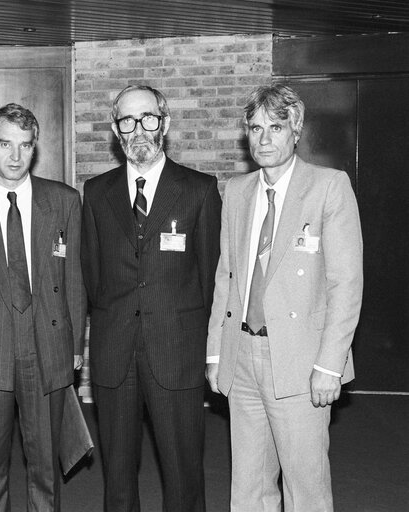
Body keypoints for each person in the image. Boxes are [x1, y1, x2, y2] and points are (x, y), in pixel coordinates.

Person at [206, 84, 363, 511]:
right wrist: (216, 354)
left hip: (300, 358)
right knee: (249, 487)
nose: (264, 138)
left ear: (296, 131)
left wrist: (330, 365)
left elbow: (346, 285)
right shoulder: (237, 191)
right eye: (255, 128)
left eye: (276, 127)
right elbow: (228, 275)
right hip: (242, 358)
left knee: (305, 488)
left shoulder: (329, 187)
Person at [81, 85, 221, 512]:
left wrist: (211, 353)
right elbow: (91, 275)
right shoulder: (96, 192)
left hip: (176, 353)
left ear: (165, 124)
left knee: (182, 474)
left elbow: (211, 279)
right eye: (127, 120)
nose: (138, 129)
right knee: (118, 476)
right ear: (115, 129)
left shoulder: (199, 190)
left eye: (148, 119)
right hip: (114, 355)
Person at [0, 103, 86, 512]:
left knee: (45, 466)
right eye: (5, 144)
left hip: (47, 345)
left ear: (34, 147)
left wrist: (76, 343)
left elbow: (75, 278)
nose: (15, 156)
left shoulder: (63, 201)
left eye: (24, 145)